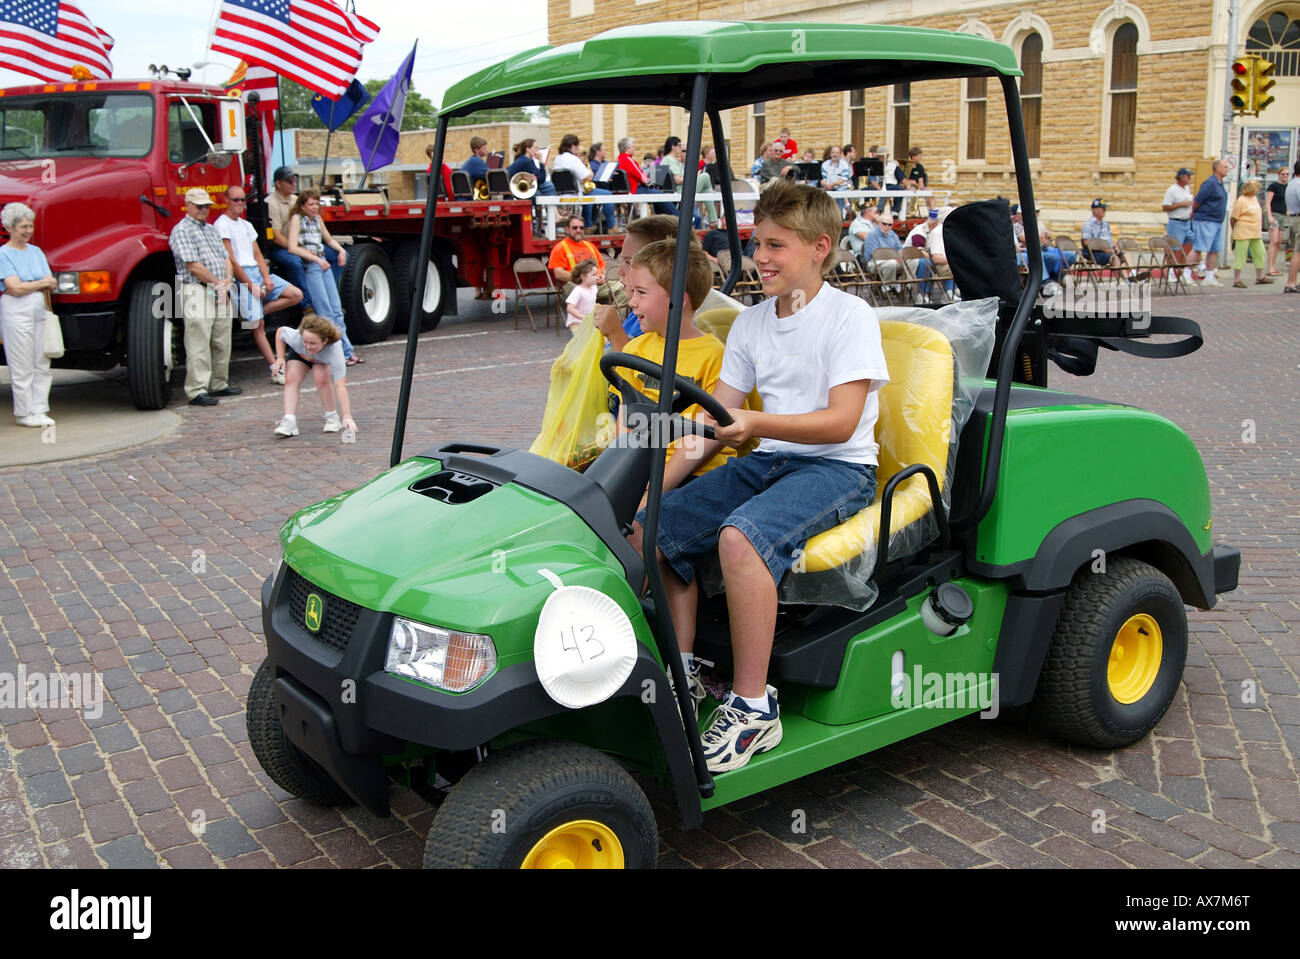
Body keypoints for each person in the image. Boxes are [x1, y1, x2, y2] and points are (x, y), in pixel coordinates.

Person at [646, 179, 888, 772]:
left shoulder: (848, 317)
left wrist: (752, 419)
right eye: (757, 245)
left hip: (839, 467)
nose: (760, 259)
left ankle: (754, 707)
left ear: (820, 247)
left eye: (776, 246)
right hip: (771, 462)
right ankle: (685, 669)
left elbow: (841, 423)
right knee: (654, 524)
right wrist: (654, 484)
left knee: (741, 537)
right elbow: (712, 417)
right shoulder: (752, 324)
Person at [611, 239, 741, 529]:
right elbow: (625, 420)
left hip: (697, 470)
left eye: (641, 293)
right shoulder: (635, 351)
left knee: (647, 528)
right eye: (632, 292)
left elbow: (708, 439)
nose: (631, 302)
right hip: (641, 466)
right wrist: (623, 470)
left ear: (678, 299)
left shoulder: (714, 356)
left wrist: (652, 490)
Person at [216, 186, 302, 384]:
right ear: (227, 200)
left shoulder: (246, 225)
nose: (240, 203)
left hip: (257, 270)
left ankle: (255, 311)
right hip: (240, 275)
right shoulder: (222, 225)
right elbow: (231, 259)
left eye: (243, 200)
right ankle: (275, 368)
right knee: (258, 325)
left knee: (295, 295)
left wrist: (267, 277)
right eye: (236, 200)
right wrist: (249, 284)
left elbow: (257, 254)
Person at [168, 188, 240, 407]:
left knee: (222, 337)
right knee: (198, 339)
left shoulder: (210, 229)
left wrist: (227, 279)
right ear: (187, 206)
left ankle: (219, 383)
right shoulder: (181, 230)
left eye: (206, 206)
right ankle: (197, 389)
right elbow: (193, 265)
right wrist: (219, 284)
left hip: (216, 286)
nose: (203, 210)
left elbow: (225, 257)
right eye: (199, 206)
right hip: (197, 287)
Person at [286, 188, 360, 365]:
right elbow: (292, 247)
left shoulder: (318, 219)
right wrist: (315, 260)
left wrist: (341, 250)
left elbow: (328, 239)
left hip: (323, 262)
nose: (314, 207)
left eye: (316, 204)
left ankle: (348, 352)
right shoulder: (297, 219)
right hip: (312, 265)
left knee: (336, 310)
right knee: (325, 312)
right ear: (302, 206)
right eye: (310, 204)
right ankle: (336, 354)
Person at [0, 202, 58, 426]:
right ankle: (24, 412)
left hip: (38, 308)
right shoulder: (4, 254)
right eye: (23, 227)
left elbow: (50, 282)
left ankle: (40, 408)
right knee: (21, 362)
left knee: (41, 359)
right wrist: (40, 283)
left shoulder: (36, 252)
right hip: (16, 310)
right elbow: (14, 287)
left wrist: (35, 284)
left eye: (30, 226)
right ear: (11, 228)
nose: (28, 231)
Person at [598, 214, 680, 348]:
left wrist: (614, 333)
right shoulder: (639, 316)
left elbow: (632, 367)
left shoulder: (657, 323)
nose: (620, 271)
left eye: (629, 262)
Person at [265, 167, 342, 310]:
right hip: (281, 247)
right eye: (289, 181)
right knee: (294, 261)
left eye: (294, 180)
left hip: (304, 245)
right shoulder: (271, 203)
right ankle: (307, 305)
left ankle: (327, 291)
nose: (293, 183)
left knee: (339, 255)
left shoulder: (296, 199)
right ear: (278, 183)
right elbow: (276, 237)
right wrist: (301, 250)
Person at [271, 312, 357, 439]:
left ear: (325, 340)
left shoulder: (334, 351)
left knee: (321, 378)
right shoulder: (297, 338)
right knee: (291, 378)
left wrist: (347, 416)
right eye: (305, 341)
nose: (307, 346)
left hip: (322, 359)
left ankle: (332, 417)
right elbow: (280, 332)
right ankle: (289, 420)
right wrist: (280, 358)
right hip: (300, 356)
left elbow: (340, 386)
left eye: (312, 343)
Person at [554, 133, 617, 232]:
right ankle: (611, 226)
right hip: (576, 192)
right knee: (607, 194)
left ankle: (588, 224)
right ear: (573, 146)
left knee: (589, 194)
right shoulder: (573, 159)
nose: (578, 148)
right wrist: (589, 170)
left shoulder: (558, 158)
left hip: (562, 192)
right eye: (577, 146)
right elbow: (587, 176)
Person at [1188, 159, 1229, 286]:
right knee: (1199, 248)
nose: (1227, 168)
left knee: (1214, 249)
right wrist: (1193, 212)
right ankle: (1185, 273)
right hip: (1206, 220)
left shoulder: (1220, 184)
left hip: (1216, 221)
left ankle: (1209, 277)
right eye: (1225, 166)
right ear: (1217, 168)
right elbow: (1198, 199)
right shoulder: (1210, 183)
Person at [548, 215, 607, 300]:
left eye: (581, 228)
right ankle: (589, 312)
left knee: (620, 289)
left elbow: (602, 265)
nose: (578, 230)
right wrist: (583, 278)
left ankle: (609, 313)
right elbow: (558, 273)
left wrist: (602, 275)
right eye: (575, 228)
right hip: (575, 284)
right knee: (585, 294)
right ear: (567, 229)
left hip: (596, 282)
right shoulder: (560, 248)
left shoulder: (590, 245)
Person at [661, 136, 715, 227]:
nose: (680, 148)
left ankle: (713, 221)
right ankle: (713, 221)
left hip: (683, 189)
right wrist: (692, 178)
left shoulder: (673, 161)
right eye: (679, 146)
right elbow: (677, 179)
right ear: (673, 147)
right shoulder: (669, 160)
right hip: (681, 190)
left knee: (706, 189)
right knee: (705, 176)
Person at [1230, 180, 1271, 288]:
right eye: (1256, 188)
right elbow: (1234, 217)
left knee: (1260, 253)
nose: (1258, 190)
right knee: (1241, 256)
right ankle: (1237, 279)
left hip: (1255, 232)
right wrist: (1234, 229)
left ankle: (1260, 276)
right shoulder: (1241, 201)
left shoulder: (1254, 198)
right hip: (1243, 232)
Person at [858, 210, 905, 293]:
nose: (887, 226)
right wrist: (894, 257)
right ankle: (888, 285)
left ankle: (905, 285)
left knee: (912, 262)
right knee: (892, 263)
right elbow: (875, 254)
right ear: (879, 223)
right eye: (884, 224)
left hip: (892, 261)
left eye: (889, 225)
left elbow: (900, 249)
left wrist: (900, 256)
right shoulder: (872, 235)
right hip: (874, 262)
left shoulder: (893, 234)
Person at [1162, 167, 1195, 253]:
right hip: (1176, 222)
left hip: (1187, 222)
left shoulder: (1187, 188)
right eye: (1188, 177)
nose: (1190, 179)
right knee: (1174, 247)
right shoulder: (1172, 190)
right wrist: (1181, 204)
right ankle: (1171, 265)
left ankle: (1184, 264)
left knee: (1190, 242)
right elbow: (1165, 207)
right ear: (1182, 177)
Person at [564, 258, 600, 333]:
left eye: (596, 274)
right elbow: (570, 308)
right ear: (583, 277)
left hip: (589, 322)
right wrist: (584, 318)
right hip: (577, 323)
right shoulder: (578, 291)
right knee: (584, 342)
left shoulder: (593, 288)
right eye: (593, 275)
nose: (597, 277)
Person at [1265, 167, 1290, 276]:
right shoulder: (1274, 186)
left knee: (1279, 242)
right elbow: (1268, 202)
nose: (1285, 176)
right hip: (1274, 214)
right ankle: (1270, 267)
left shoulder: (1288, 187)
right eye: (1283, 174)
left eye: (1287, 174)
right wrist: (1269, 216)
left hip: (1283, 216)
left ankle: (1273, 266)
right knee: (1273, 241)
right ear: (1279, 174)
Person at [1081, 199, 1115, 266]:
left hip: (1110, 251)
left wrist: (1115, 247)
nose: (1105, 210)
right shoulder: (1088, 224)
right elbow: (1086, 242)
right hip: (1096, 253)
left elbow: (1110, 239)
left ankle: (1133, 274)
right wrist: (1103, 248)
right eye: (1102, 208)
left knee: (1126, 255)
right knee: (1114, 258)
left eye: (1105, 208)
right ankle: (1126, 276)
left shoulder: (1106, 224)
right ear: (1095, 210)